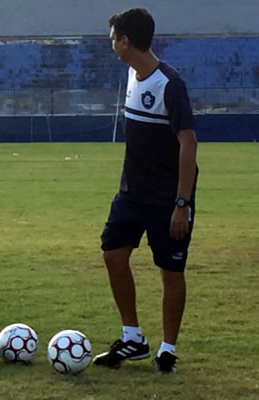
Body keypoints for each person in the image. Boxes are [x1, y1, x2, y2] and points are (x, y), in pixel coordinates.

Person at [93, 8, 198, 374]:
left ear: (125, 41)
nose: (111, 46)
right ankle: (132, 338)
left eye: (113, 40)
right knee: (112, 254)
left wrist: (181, 203)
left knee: (170, 272)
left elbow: (188, 143)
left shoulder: (170, 84)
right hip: (131, 194)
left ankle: (167, 349)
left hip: (167, 199)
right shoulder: (131, 74)